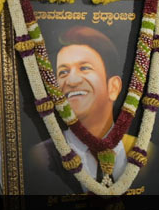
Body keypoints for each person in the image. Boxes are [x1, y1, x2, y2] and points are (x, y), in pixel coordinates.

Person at [30, 26, 135, 194]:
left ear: (113, 87)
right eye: (63, 72)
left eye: (84, 68)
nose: (71, 81)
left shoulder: (145, 152)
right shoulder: (39, 157)